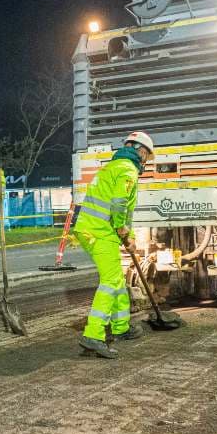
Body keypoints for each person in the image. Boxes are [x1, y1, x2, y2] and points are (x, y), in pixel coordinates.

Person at [73, 131, 154, 358]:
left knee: (117, 279)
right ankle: (93, 334)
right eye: (146, 156)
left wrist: (124, 234)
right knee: (109, 282)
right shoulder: (128, 169)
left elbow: (119, 206)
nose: (145, 161)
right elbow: (119, 204)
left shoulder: (111, 167)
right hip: (100, 232)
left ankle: (121, 327)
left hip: (91, 229)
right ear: (141, 151)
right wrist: (121, 230)